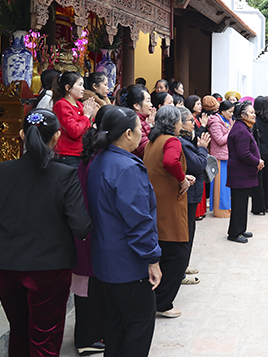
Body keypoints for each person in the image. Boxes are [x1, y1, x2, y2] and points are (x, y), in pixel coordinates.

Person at [0, 109, 92, 356]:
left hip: (5, 264)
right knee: (45, 336)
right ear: (57, 137)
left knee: (19, 331)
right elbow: (80, 225)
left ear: (22, 134)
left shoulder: (3, 171)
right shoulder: (65, 175)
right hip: (49, 267)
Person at [85, 106, 162, 356]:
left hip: (105, 257)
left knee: (116, 322)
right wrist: (152, 259)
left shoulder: (99, 159)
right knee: (138, 324)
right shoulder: (126, 168)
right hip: (128, 262)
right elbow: (139, 222)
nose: (143, 133)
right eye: (140, 129)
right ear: (128, 133)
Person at [144, 106, 195, 319]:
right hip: (169, 203)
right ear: (175, 123)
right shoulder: (171, 140)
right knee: (178, 253)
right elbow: (170, 162)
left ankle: (156, 298)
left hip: (155, 200)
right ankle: (162, 302)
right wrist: (182, 179)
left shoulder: (152, 141)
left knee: (164, 250)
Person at [72, 107, 113, 356]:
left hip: (88, 228)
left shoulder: (94, 154)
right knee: (87, 285)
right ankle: (86, 337)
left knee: (90, 284)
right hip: (88, 229)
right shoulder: (100, 157)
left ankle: (91, 333)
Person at [174, 106, 210, 285]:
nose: (193, 124)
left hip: (192, 191)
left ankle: (183, 264)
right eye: (190, 121)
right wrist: (203, 148)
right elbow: (198, 165)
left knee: (190, 230)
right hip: (187, 192)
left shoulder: (187, 140)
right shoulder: (181, 142)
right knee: (185, 231)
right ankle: (179, 271)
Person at [226, 101, 263, 243]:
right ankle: (234, 233)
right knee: (239, 204)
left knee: (242, 203)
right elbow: (244, 154)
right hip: (239, 174)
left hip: (242, 173)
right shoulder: (241, 130)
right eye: (251, 112)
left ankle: (240, 229)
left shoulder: (243, 127)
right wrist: (257, 162)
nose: (254, 115)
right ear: (242, 115)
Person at [53, 71, 97, 167]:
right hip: (67, 155)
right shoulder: (61, 105)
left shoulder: (80, 105)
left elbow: (87, 129)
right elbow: (74, 131)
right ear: (68, 88)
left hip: (81, 153)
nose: (83, 89)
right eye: (80, 85)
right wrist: (86, 115)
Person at [206, 100, 234, 218]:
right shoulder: (215, 122)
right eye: (230, 112)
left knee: (227, 186)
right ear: (222, 111)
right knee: (221, 187)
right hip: (219, 157)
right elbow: (220, 140)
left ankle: (228, 207)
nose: (231, 114)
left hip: (227, 155)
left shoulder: (227, 120)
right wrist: (231, 130)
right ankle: (221, 210)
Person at [126, 84, 155, 159]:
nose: (151, 105)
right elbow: (146, 150)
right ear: (136, 106)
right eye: (148, 101)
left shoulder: (143, 120)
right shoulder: (135, 122)